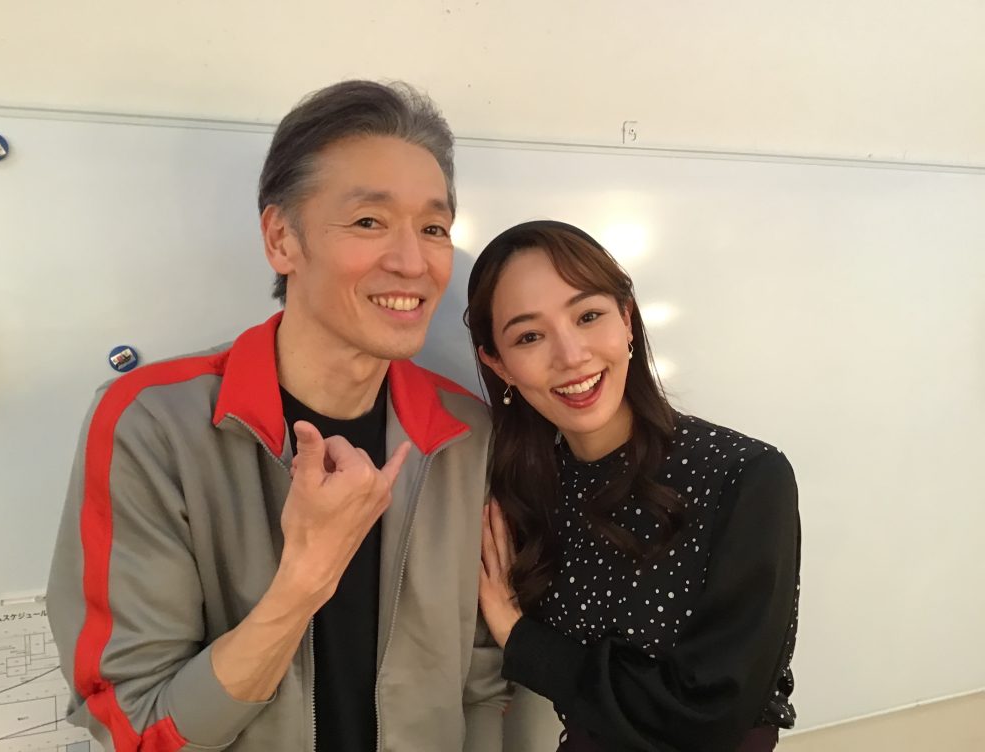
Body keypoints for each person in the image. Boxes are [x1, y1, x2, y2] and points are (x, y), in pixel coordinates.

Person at [47, 80, 509, 752]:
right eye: (369, 222)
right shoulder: (153, 425)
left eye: (433, 229)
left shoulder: (464, 434)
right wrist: (304, 580)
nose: (413, 262)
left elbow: (485, 683)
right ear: (281, 239)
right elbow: (140, 724)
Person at [466, 220, 800, 752]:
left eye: (588, 316)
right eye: (529, 336)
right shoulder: (524, 495)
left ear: (627, 319)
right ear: (498, 364)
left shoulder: (744, 476)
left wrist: (518, 636)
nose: (571, 355)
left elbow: (713, 712)